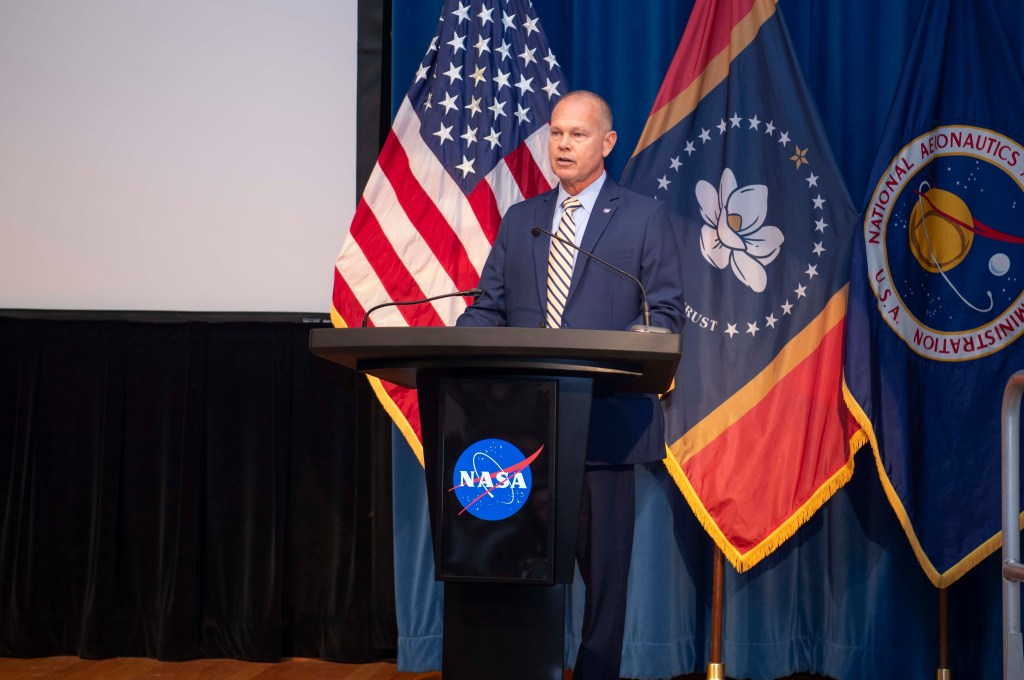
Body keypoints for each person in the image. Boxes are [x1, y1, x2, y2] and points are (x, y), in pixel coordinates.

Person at [456, 90, 684, 680]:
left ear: (607, 143)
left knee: (604, 577)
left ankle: (597, 673)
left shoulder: (643, 218)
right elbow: (489, 308)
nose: (562, 144)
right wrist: (459, 338)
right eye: (556, 132)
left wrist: (627, 344)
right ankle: (529, 667)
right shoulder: (522, 220)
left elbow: (663, 313)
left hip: (604, 424)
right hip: (519, 432)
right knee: (521, 563)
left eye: (577, 134)